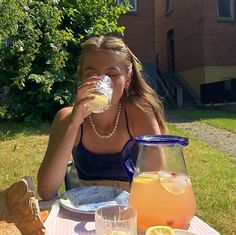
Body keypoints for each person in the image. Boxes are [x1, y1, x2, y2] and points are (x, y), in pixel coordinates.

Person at [37, 35, 167, 200]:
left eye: (112, 74)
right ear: (81, 78)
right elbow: (46, 191)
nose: (100, 83)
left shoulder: (140, 113)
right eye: (91, 74)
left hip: (131, 212)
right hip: (82, 213)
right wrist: (74, 123)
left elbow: (156, 185)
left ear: (128, 79)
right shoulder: (67, 117)